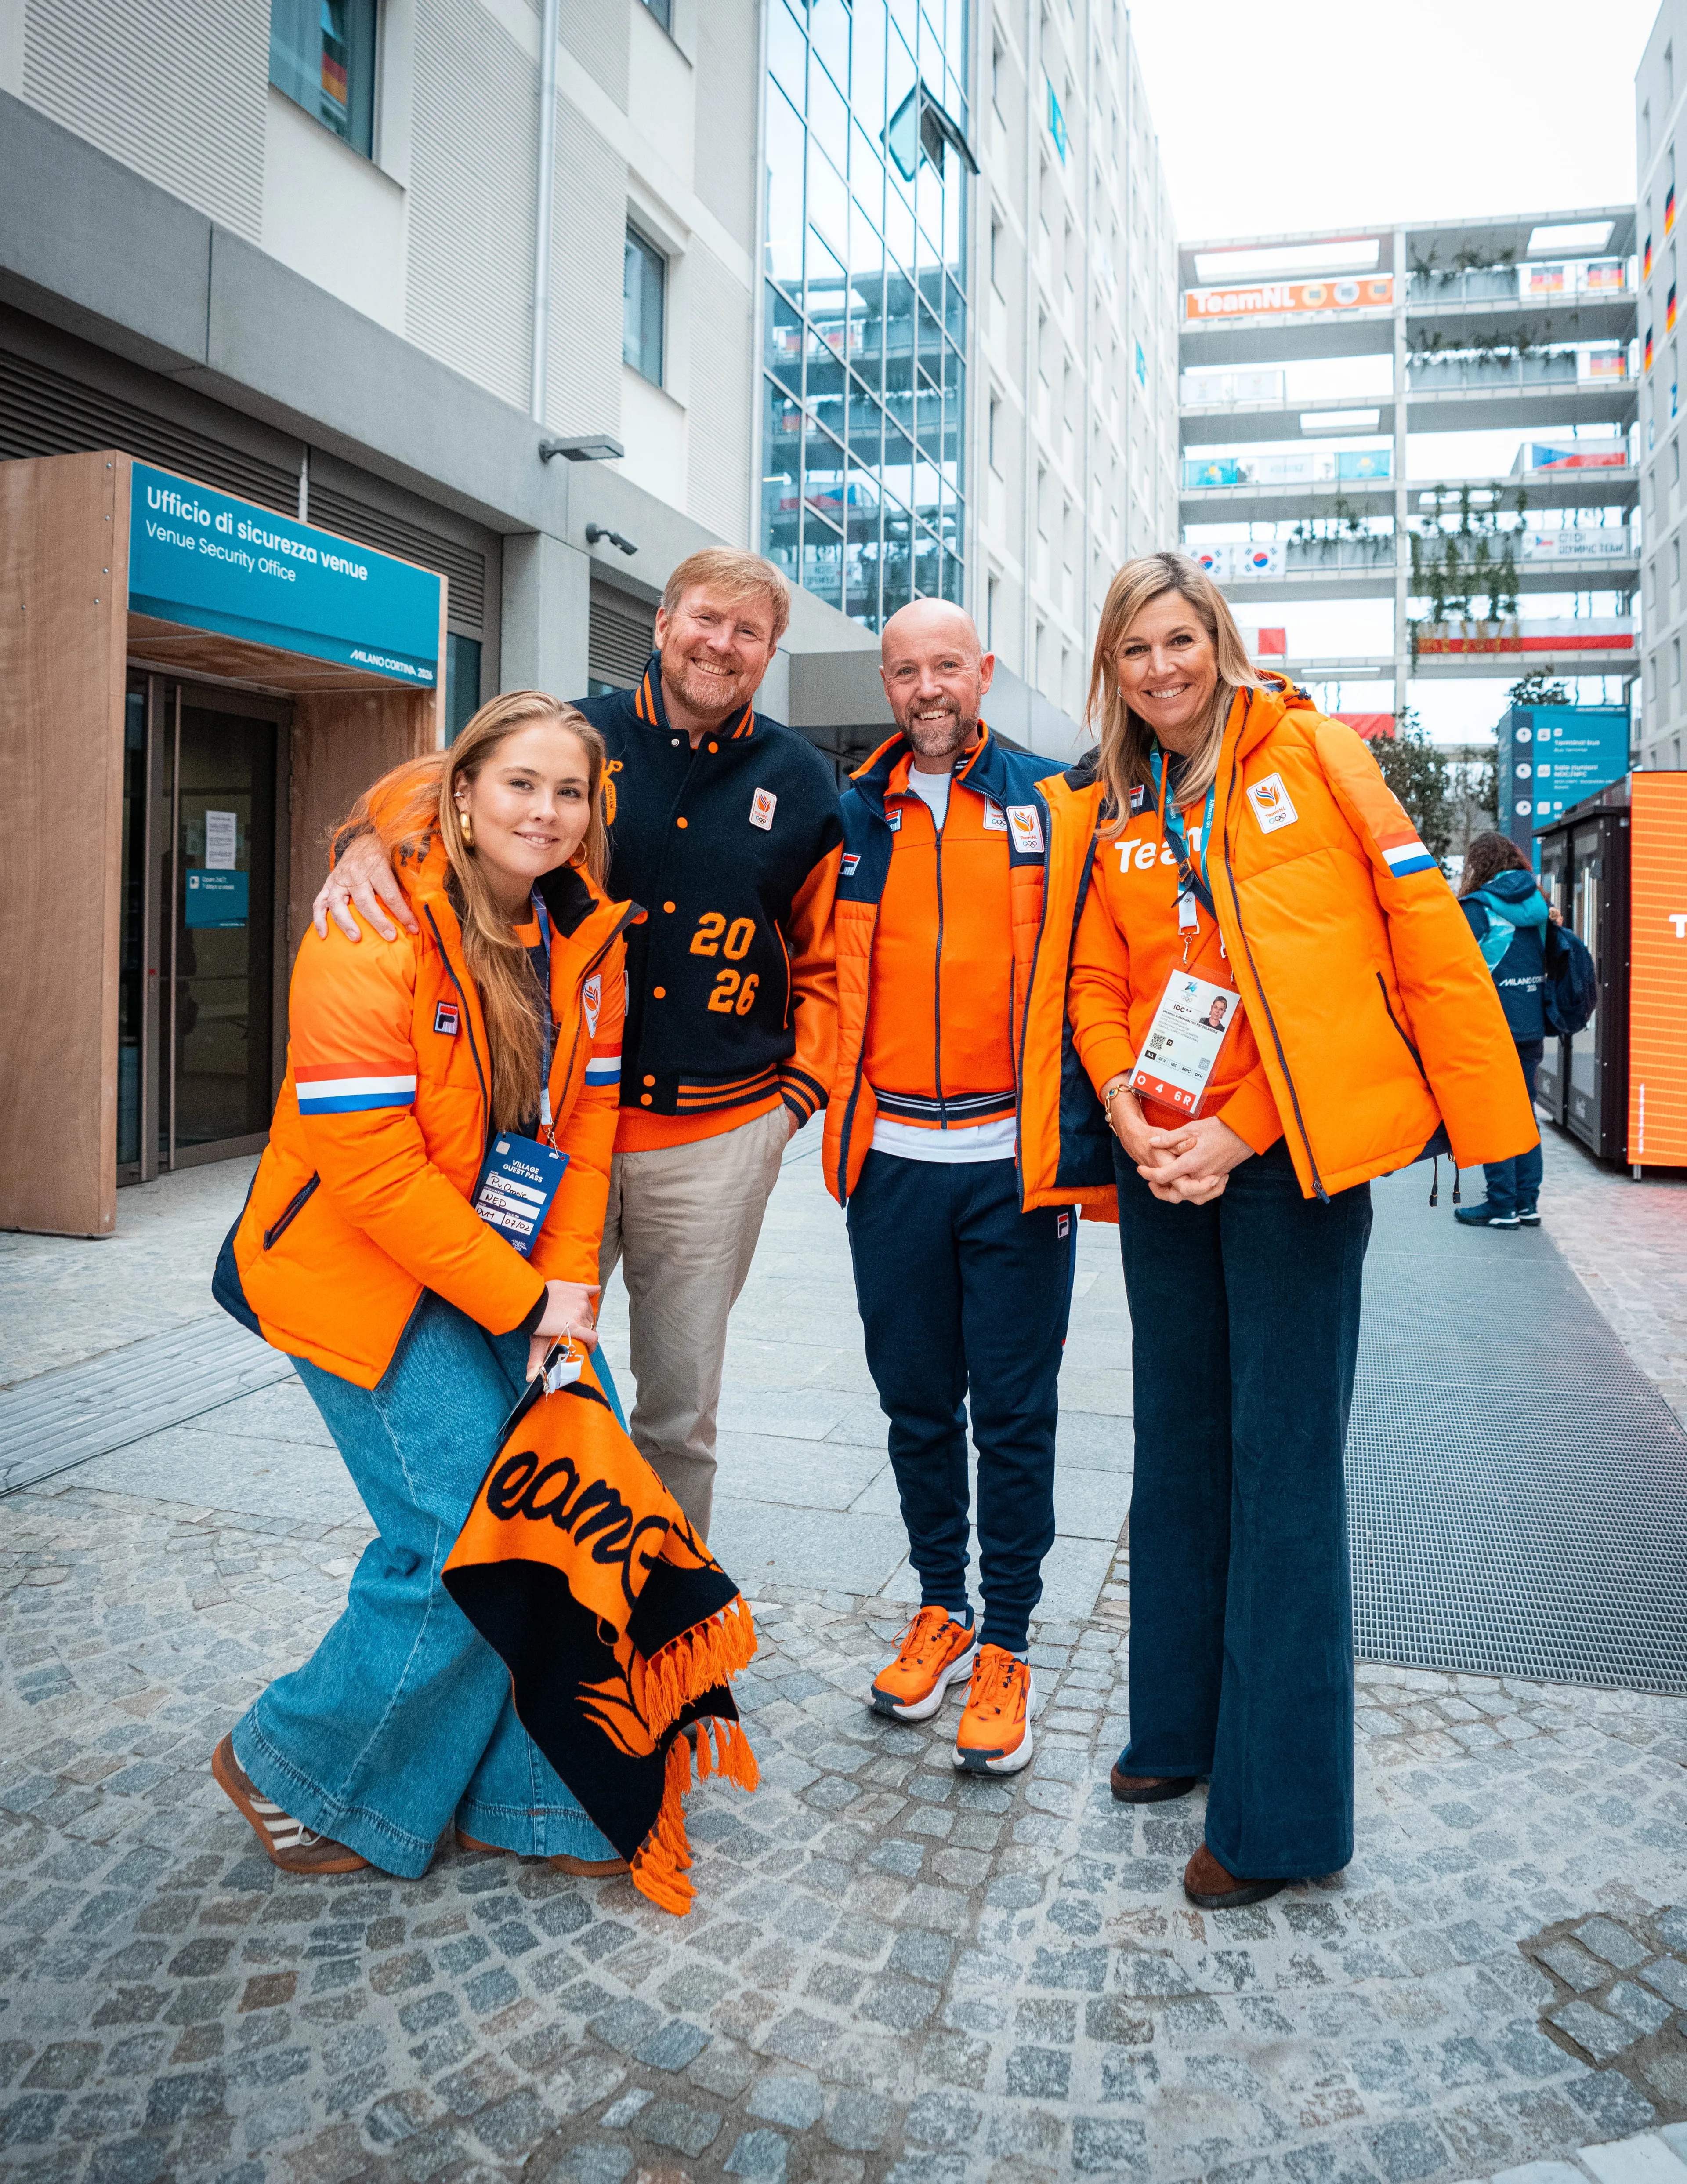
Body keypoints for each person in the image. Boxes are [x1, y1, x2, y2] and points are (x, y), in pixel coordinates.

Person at [1017, 552, 1537, 1909]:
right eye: (1133, 651)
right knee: (1179, 1458)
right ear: (1110, 669)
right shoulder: (1109, 802)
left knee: (1283, 1473)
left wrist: (1232, 1128)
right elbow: (1085, 975)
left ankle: (1281, 1816)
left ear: (1217, 640)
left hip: (1286, 1162)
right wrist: (1129, 1109)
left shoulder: (1306, 754)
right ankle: (1176, 1731)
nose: (1159, 670)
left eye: (1177, 640)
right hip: (1160, 1163)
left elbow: (1378, 954)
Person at [315, 551, 844, 1536]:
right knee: (532, 1377)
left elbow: (829, 965)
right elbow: (435, 797)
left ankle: (657, 1633)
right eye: (706, 619)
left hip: (714, 1141)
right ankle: (537, 1613)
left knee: (679, 1413)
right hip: (549, 1137)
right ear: (661, 620)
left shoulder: (805, 782)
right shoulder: (571, 737)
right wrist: (360, 841)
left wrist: (796, 1100)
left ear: (772, 650)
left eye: (748, 631)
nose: (721, 644)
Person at [210, 693, 633, 1877]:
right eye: (519, 785)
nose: (545, 813)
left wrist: (568, 1305)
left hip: (492, 1263)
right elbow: (370, 1169)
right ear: (460, 796)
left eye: (569, 793)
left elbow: (583, 1145)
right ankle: (297, 1762)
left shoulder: (588, 941)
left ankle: (533, 1798)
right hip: (353, 1265)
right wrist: (521, 1302)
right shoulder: (370, 923)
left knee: (570, 1498)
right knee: (466, 1529)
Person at [826, 600, 1098, 1775]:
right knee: (917, 1403)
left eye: (948, 665)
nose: (928, 687)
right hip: (891, 1166)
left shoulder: (1054, 802)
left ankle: (1011, 1642)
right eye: (905, 671)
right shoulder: (844, 815)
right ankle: (942, 1604)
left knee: (1016, 1412)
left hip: (1014, 1169)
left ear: (983, 673)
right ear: (885, 685)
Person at [1454, 831, 1550, 1230]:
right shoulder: (1539, 903)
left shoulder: (1477, 908)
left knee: (1496, 1114)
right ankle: (1527, 1203)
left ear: (1478, 865)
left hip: (1492, 1024)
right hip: (1531, 1023)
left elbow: (1452, 964)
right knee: (1524, 1112)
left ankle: (1501, 1205)